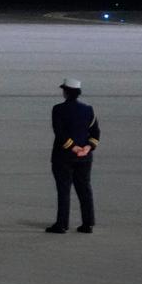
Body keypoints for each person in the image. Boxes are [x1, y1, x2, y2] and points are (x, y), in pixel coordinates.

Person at [47, 77, 100, 234]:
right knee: (84, 189)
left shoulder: (58, 109)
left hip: (63, 156)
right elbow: (95, 132)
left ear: (66, 92)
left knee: (64, 190)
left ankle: (62, 224)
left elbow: (59, 132)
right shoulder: (89, 110)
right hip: (85, 157)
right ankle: (88, 223)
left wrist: (73, 147)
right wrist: (87, 148)